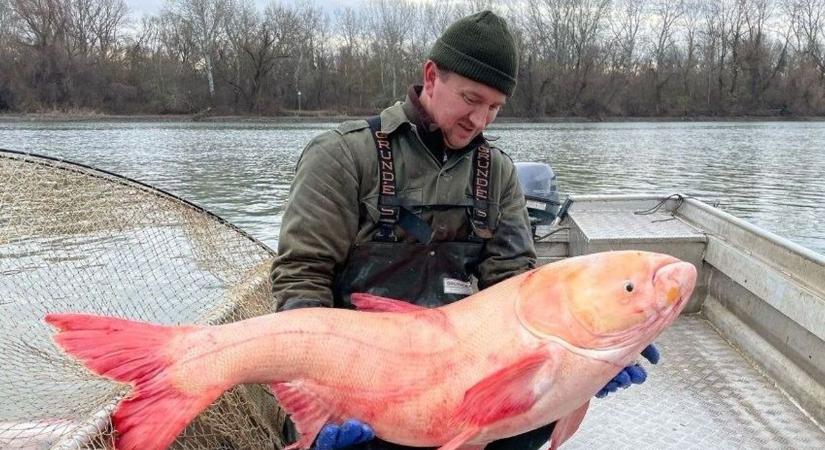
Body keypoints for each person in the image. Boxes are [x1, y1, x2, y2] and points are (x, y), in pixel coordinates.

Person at [271, 10, 658, 450]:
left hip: (457, 376)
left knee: (534, 421)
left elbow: (516, 292)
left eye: (494, 108)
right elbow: (302, 279)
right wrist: (316, 395)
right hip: (354, 375)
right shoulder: (343, 156)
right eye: (471, 99)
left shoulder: (497, 174)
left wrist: (584, 364)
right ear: (431, 77)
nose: (480, 121)